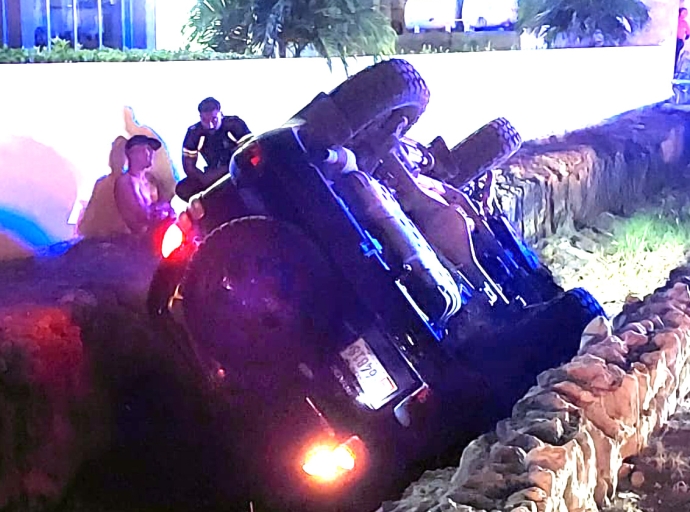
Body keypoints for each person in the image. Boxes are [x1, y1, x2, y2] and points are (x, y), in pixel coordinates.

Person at [176, 97, 251, 202]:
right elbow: (189, 167)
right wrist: (203, 178)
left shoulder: (234, 125)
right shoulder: (194, 133)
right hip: (212, 175)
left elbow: (249, 151)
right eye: (205, 120)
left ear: (221, 114)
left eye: (214, 119)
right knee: (183, 189)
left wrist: (228, 170)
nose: (210, 125)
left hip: (238, 169)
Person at [114, 135, 175, 235]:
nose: (151, 154)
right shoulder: (125, 182)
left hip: (159, 232)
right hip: (140, 240)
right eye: (147, 149)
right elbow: (141, 215)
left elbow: (165, 205)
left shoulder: (150, 180)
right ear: (133, 154)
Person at [677, 8, 690, 74]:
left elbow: (688, 32)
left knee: (676, 55)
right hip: (674, 40)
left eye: (686, 13)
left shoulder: (684, 23)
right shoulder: (675, 20)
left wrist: (687, 35)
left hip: (680, 41)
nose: (685, 14)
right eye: (684, 12)